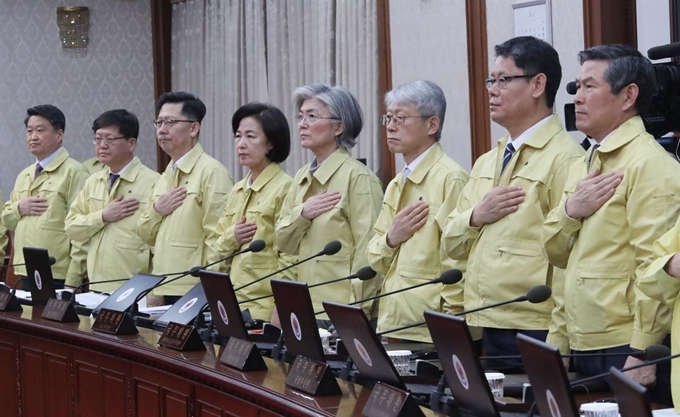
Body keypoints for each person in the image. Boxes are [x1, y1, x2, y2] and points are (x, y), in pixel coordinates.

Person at [542, 44, 680, 400]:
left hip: (625, 344)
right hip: (580, 336)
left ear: (628, 95)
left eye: (590, 86)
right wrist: (559, 340)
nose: (578, 98)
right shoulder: (584, 160)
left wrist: (644, 349)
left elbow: (658, 267)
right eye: (577, 88)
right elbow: (559, 257)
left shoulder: (650, 164)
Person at [442, 36, 583, 364]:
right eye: (491, 80)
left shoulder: (566, 159)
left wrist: (560, 339)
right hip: (483, 320)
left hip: (534, 326)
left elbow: (568, 258)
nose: (492, 90)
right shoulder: (487, 160)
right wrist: (476, 215)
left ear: (537, 85)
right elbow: (451, 241)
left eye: (503, 80)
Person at [366, 80, 468, 343]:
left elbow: (458, 257)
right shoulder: (397, 183)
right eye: (388, 118)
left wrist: (451, 323)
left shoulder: (451, 178)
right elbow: (375, 256)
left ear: (432, 125)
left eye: (400, 118)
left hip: (431, 328)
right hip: (395, 321)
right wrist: (392, 238)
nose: (390, 126)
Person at [275, 84, 383, 324]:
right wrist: (303, 213)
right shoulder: (302, 177)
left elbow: (368, 253)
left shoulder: (359, 178)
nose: (302, 124)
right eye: (301, 116)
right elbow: (283, 241)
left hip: (342, 310)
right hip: (306, 306)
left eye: (312, 116)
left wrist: (357, 314)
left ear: (338, 127)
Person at [138, 92, 233, 304]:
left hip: (194, 289)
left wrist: (209, 289)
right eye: (159, 122)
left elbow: (219, 239)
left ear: (193, 128)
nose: (162, 130)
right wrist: (157, 211)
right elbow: (145, 234)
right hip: (163, 284)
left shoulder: (212, 172)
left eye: (170, 122)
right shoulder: (165, 176)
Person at [208, 103, 294, 321]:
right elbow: (215, 248)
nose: (241, 144)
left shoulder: (286, 188)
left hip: (264, 311)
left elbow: (290, 257)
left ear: (271, 143)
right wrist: (232, 237)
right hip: (231, 307)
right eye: (238, 136)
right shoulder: (238, 189)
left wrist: (280, 310)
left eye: (250, 136)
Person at [65, 109, 159, 293]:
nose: (102, 145)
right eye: (98, 138)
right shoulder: (93, 181)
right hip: (96, 284)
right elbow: (72, 228)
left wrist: (156, 292)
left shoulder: (154, 182)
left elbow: (158, 244)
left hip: (135, 288)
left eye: (109, 139)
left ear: (131, 143)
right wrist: (102, 216)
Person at [1, 105, 88, 289]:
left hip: (57, 271)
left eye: (40, 130)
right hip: (25, 269)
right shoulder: (25, 175)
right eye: (29, 131)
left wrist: (73, 279)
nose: (33, 136)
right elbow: (7, 221)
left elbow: (81, 230)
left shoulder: (74, 172)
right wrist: (19, 208)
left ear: (59, 135)